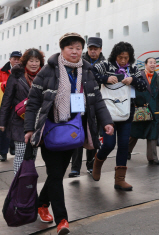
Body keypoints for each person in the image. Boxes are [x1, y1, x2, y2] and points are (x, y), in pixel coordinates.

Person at [24, 33, 114, 235]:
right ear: (62, 49)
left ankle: (41, 203)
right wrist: (30, 129)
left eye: (78, 48)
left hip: (75, 130)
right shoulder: (47, 71)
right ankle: (62, 220)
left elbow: (97, 100)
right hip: (51, 130)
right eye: (70, 47)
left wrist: (107, 122)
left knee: (57, 173)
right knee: (56, 175)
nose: (75, 51)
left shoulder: (87, 71)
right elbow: (33, 104)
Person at [91, 41, 147, 191]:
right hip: (107, 112)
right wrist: (105, 79)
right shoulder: (105, 65)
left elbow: (144, 86)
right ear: (115, 56)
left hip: (127, 112)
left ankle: (120, 180)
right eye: (120, 57)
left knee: (123, 145)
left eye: (126, 58)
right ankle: (97, 161)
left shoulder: (133, 69)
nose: (123, 61)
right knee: (109, 144)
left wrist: (133, 80)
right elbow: (90, 73)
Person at [0, 48, 44, 175]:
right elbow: (7, 99)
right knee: (20, 153)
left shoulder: (44, 76)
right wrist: (2, 121)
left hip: (38, 120)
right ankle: (18, 185)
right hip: (19, 120)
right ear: (25, 62)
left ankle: (27, 183)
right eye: (31, 61)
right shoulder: (16, 75)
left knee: (32, 154)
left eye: (37, 61)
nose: (34, 64)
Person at [69, 36, 105, 178]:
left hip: (95, 102)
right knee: (77, 133)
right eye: (90, 48)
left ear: (100, 49)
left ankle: (91, 165)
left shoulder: (105, 64)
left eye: (95, 49)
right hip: (79, 101)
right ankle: (75, 168)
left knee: (93, 134)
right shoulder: (79, 61)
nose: (93, 51)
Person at [129, 57, 159, 165]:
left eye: (154, 63)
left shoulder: (158, 79)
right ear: (145, 64)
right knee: (134, 133)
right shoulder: (138, 76)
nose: (153, 64)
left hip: (154, 111)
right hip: (140, 109)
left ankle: (152, 158)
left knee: (153, 134)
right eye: (150, 63)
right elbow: (132, 92)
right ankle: (126, 151)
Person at [0, 51, 22, 162]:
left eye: (19, 59)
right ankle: (3, 152)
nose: (17, 61)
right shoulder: (0, 72)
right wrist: (7, 84)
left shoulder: (23, 72)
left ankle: (13, 148)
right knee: (2, 130)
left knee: (16, 127)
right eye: (15, 59)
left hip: (18, 105)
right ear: (10, 59)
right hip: (4, 105)